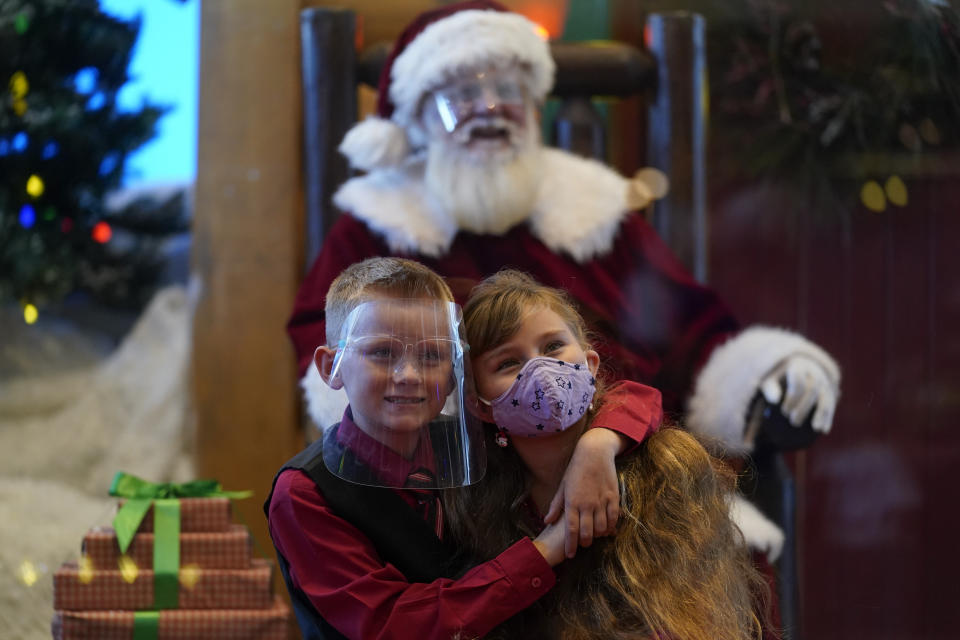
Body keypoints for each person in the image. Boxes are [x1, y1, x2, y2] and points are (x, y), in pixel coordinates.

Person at [288, 0, 841, 558]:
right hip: (467, 480)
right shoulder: (381, 224)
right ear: (419, 118)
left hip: (640, 455)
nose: (489, 110)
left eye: (508, 90)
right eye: (460, 96)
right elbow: (334, 343)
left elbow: (690, 330)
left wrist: (763, 369)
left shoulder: (593, 213)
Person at [265, 257, 657, 640]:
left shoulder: (471, 440)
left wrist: (598, 444)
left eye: (432, 355)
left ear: (455, 376)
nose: (409, 376)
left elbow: (633, 398)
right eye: (382, 352)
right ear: (330, 367)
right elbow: (390, 625)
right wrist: (543, 551)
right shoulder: (305, 492)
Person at [446, 269, 769, 639]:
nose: (540, 370)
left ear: (591, 364)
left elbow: (684, 617)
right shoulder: (476, 499)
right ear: (481, 405)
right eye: (508, 363)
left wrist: (598, 445)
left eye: (552, 347)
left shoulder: (665, 467)